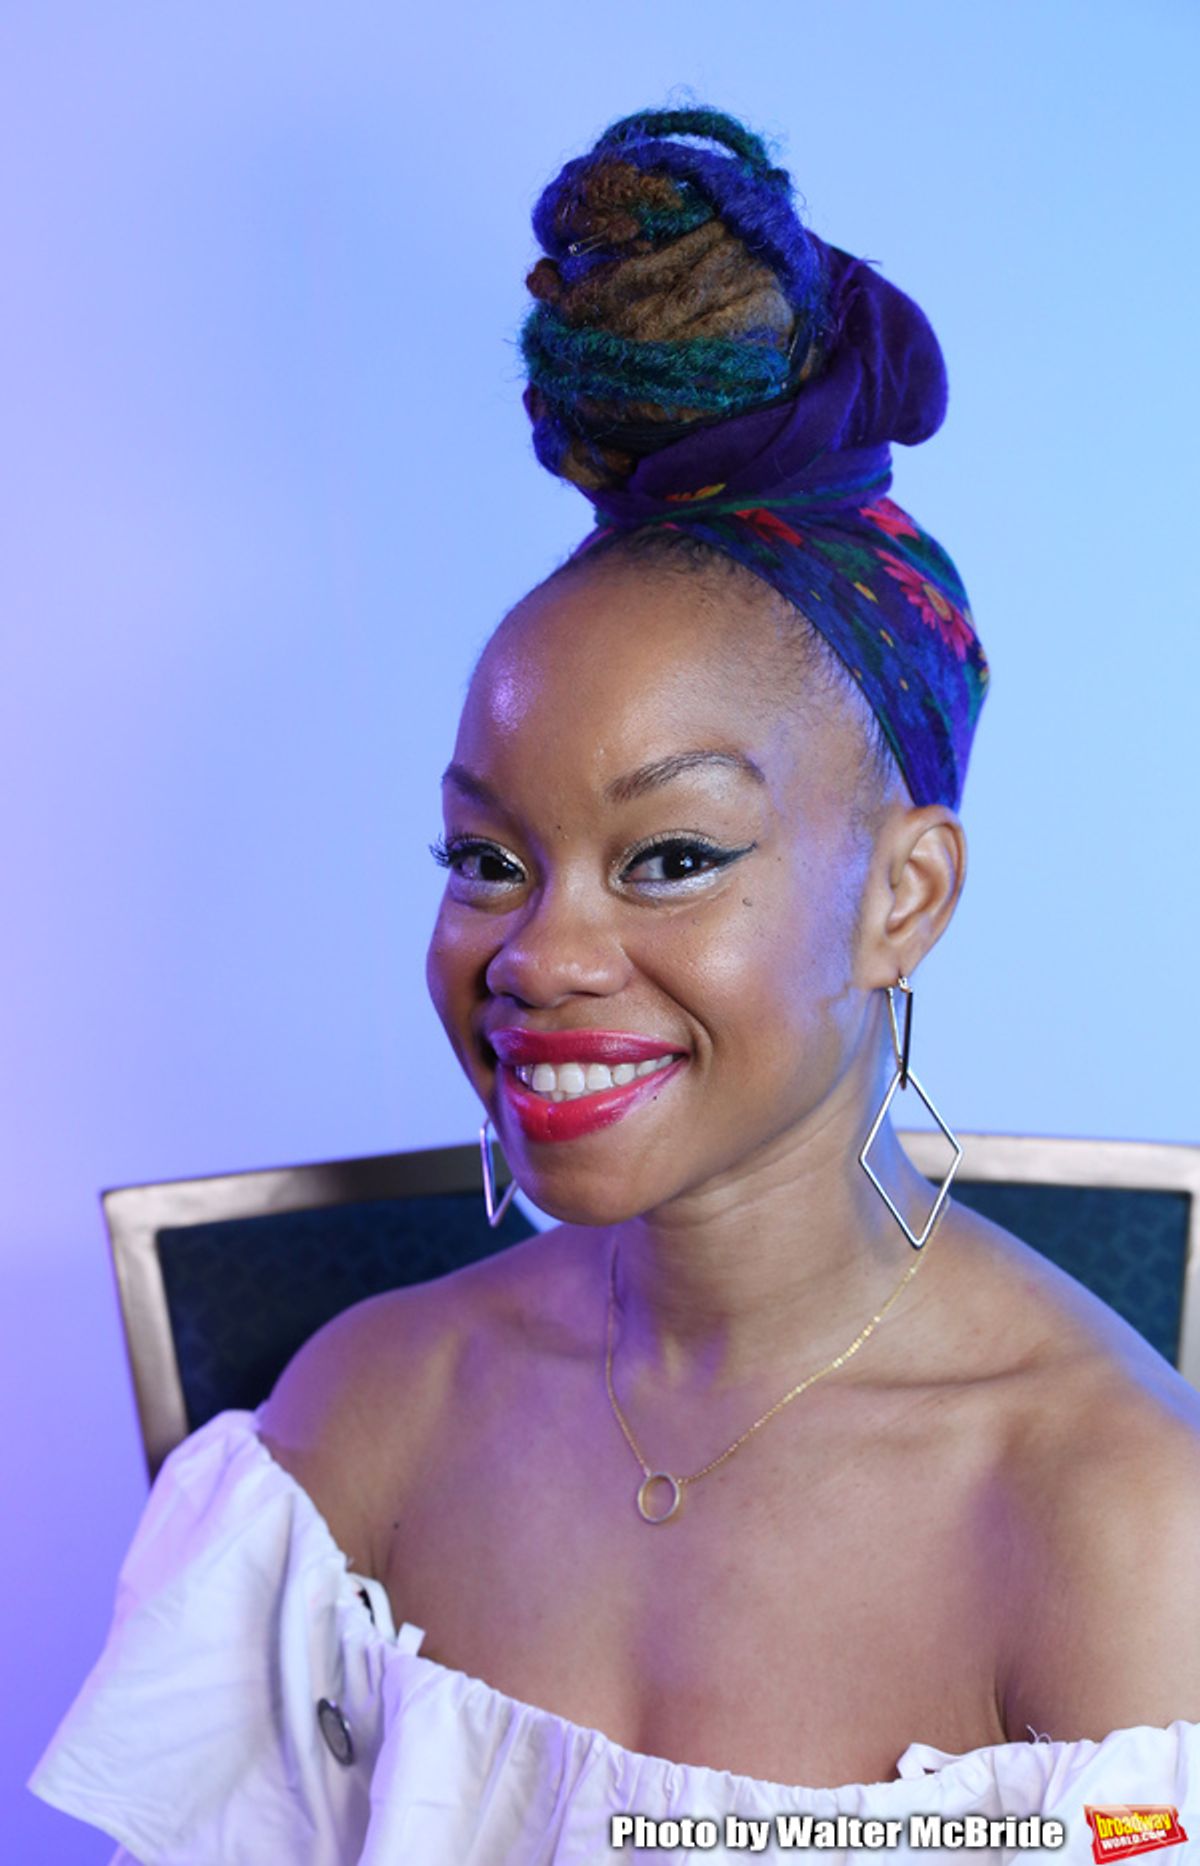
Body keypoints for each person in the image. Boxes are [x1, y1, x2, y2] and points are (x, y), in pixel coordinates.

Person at [29, 106, 1200, 1864]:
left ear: (903, 897)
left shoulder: (1122, 1524)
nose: (541, 955)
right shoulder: (365, 1421)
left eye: (670, 857)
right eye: (486, 856)